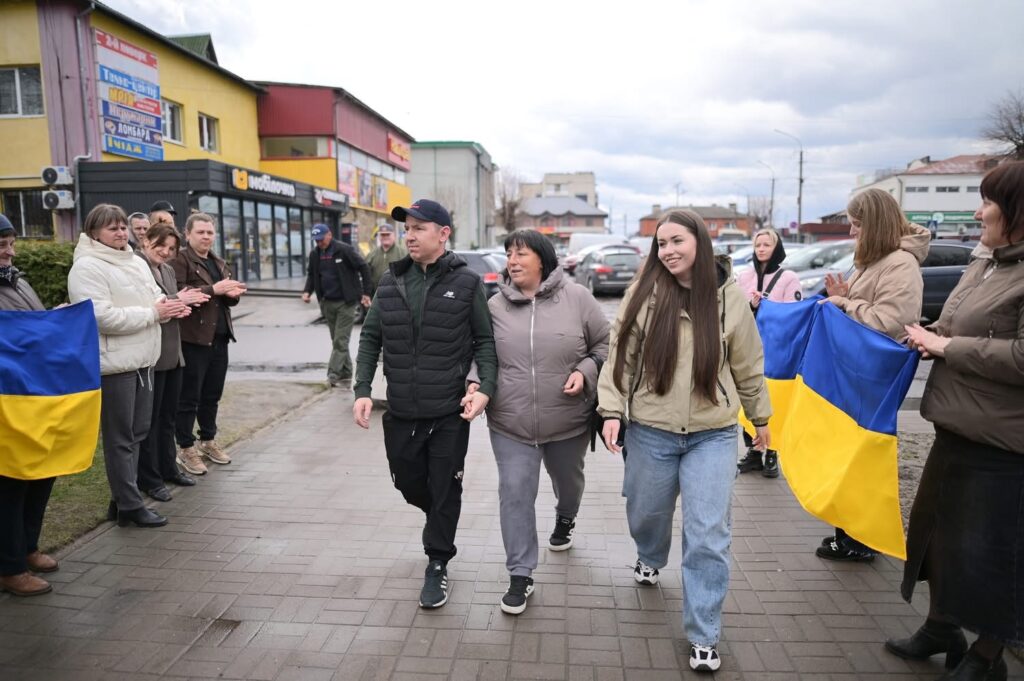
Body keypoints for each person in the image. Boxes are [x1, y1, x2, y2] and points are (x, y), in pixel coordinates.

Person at [598, 209, 771, 673]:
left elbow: (748, 363)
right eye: (661, 243)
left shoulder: (729, 297)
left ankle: (703, 633)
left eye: (677, 240)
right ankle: (650, 555)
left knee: (708, 534)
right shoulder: (644, 293)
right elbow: (620, 358)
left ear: (699, 242)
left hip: (713, 434)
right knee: (646, 513)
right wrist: (611, 411)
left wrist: (760, 418)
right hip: (651, 431)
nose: (668, 250)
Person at [891, 160, 1024, 681]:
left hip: (1003, 443)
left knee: (992, 555)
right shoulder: (987, 261)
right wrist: (927, 336)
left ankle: (988, 657)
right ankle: (941, 628)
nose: (977, 212)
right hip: (955, 425)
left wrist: (947, 346)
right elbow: (955, 324)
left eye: (987, 202)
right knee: (937, 538)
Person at [353, 199, 497, 610]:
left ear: (443, 233)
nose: (410, 236)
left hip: (449, 412)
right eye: (407, 229)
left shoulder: (466, 283)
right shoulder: (390, 281)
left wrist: (485, 388)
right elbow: (371, 338)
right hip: (401, 410)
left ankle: (437, 561)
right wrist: (362, 389)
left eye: (419, 228)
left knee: (445, 487)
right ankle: (439, 516)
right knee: (408, 482)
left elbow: (485, 341)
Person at [484, 229, 609, 615]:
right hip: (510, 421)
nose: (512, 260)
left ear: (543, 259)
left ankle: (566, 516)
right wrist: (475, 385)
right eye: (509, 253)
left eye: (521, 253)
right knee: (515, 491)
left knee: (568, 483)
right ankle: (520, 573)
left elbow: (605, 344)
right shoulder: (495, 306)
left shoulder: (578, 298)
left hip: (567, 420)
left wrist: (586, 371)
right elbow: (480, 354)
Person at [815, 188, 929, 563]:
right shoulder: (877, 260)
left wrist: (846, 303)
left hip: (873, 379)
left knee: (862, 459)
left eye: (857, 225)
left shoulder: (900, 264)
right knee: (850, 456)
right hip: (858, 376)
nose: (852, 232)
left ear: (875, 225)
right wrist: (847, 295)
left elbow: (889, 322)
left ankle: (860, 541)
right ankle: (849, 534)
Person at [68, 204, 191, 528]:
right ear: (94, 232)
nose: (122, 233)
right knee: (121, 438)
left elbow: (155, 296)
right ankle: (131, 505)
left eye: (123, 227)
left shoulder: (135, 261)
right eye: (113, 228)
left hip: (144, 361)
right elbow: (100, 317)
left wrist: (170, 306)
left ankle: (122, 500)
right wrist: (153, 313)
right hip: (115, 365)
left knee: (138, 433)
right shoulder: (87, 267)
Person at [0, 215, 60, 595]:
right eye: (1, 246)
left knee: (40, 472)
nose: (9, 253)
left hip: (33, 393)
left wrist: (56, 320)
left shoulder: (17, 280)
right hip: (7, 399)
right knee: (10, 482)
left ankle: (27, 546)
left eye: (11, 244)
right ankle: (9, 567)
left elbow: (33, 325)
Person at [136, 224, 209, 502]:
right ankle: (150, 478)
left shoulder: (166, 269)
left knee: (168, 417)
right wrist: (179, 299)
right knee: (150, 421)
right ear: (146, 241)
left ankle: (169, 468)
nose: (165, 252)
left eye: (171, 248)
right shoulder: (136, 266)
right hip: (152, 355)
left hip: (172, 352)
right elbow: (148, 304)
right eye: (160, 246)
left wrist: (183, 304)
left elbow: (170, 303)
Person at [171, 212, 247, 476]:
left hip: (220, 337)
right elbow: (180, 294)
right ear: (187, 234)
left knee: (212, 394)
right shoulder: (180, 259)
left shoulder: (218, 261)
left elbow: (224, 298)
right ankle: (185, 447)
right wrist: (215, 290)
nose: (206, 237)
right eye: (200, 232)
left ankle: (208, 440)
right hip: (193, 338)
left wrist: (232, 294)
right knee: (189, 396)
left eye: (210, 232)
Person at [735, 227, 801, 478]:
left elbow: (793, 314)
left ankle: (772, 452)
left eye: (767, 245)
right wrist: (751, 305)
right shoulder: (744, 276)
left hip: (778, 351)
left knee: (775, 402)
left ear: (777, 248)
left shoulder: (788, 278)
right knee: (748, 399)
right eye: (758, 245)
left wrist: (769, 305)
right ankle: (753, 452)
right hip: (748, 348)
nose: (761, 249)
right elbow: (735, 311)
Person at [301, 224, 371, 388]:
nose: (319, 243)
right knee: (337, 340)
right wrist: (307, 291)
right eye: (316, 240)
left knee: (340, 340)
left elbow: (363, 267)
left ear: (329, 235)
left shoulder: (344, 250)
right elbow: (312, 274)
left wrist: (366, 293)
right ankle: (347, 371)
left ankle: (333, 375)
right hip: (327, 302)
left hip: (346, 303)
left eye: (321, 239)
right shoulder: (315, 254)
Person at [366, 222, 408, 290]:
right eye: (382, 235)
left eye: (388, 234)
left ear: (394, 235)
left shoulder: (403, 253)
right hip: (376, 293)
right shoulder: (372, 254)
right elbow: (366, 273)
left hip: (397, 293)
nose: (385, 237)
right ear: (379, 237)